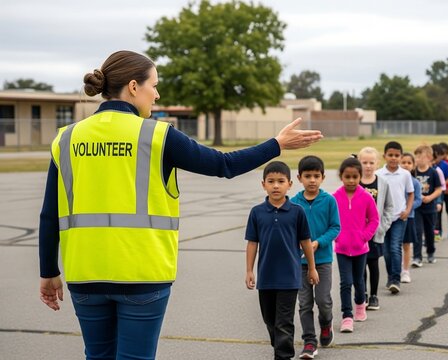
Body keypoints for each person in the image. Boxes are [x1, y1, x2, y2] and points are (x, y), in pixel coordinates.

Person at [38, 50, 322, 360]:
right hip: (142, 274)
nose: (157, 95)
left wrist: (48, 271)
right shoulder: (157, 136)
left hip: (85, 273)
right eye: (154, 85)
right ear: (134, 87)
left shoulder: (67, 138)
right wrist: (277, 144)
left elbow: (49, 213)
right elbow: (223, 165)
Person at [245, 161, 320, 360]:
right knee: (270, 320)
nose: (275, 185)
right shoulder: (257, 212)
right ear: (263, 185)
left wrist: (312, 269)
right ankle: (279, 346)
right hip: (266, 277)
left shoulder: (297, 212)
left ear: (289, 184)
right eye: (271, 181)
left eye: (280, 181)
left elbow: (306, 242)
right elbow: (252, 243)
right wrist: (249, 271)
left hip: (289, 277)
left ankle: (283, 355)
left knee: (284, 322)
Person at [290, 156, 340, 359]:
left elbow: (335, 227)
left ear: (323, 177)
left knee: (323, 300)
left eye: (316, 176)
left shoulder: (329, 201)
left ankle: (326, 324)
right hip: (299, 262)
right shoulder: (293, 203)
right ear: (299, 178)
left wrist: (319, 242)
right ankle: (310, 341)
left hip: (322, 261)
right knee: (304, 303)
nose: (312, 180)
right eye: (308, 176)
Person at [333, 157, 380, 333]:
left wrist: (364, 236)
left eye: (355, 177)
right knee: (345, 282)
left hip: (361, 248)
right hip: (342, 248)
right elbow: (330, 221)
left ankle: (360, 304)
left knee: (359, 281)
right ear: (341, 176)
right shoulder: (335, 197)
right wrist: (337, 237)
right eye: (347, 177)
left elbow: (374, 220)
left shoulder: (366, 197)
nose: (351, 180)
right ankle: (347, 316)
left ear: (360, 176)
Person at [357, 147, 395, 311]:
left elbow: (389, 207)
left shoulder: (382, 183)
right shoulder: (355, 182)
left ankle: (373, 295)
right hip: (357, 234)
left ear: (377, 163)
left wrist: (382, 227)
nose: (368, 166)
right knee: (360, 265)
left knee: (373, 264)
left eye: (371, 162)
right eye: (364, 162)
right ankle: (362, 294)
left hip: (374, 233)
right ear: (359, 163)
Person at [375, 141, 414, 295]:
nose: (393, 158)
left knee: (395, 247)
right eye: (390, 155)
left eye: (397, 155)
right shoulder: (378, 174)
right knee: (386, 250)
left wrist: (408, 209)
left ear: (401, 156)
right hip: (383, 218)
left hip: (399, 216)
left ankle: (395, 279)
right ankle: (391, 276)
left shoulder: (405, 174)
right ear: (385, 156)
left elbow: (410, 193)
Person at [413, 145, 443, 265]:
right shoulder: (412, 172)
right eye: (417, 156)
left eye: (421, 156)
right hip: (417, 208)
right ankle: (417, 257)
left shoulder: (433, 173)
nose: (418, 159)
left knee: (429, 232)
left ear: (429, 158)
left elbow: (439, 189)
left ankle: (430, 252)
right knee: (417, 232)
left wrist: (430, 198)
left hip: (430, 208)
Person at [399, 153, 422, 276]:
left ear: (413, 166)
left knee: (406, 244)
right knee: (394, 245)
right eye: (403, 162)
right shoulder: (394, 180)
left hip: (409, 216)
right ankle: (395, 269)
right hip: (395, 216)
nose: (406, 165)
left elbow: (418, 199)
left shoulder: (415, 183)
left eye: (409, 163)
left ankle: (406, 270)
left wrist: (407, 208)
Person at [431, 143, 448, 240]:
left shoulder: (442, 166)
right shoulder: (428, 167)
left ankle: (438, 232)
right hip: (429, 193)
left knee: (438, 211)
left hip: (441, 191)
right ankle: (431, 232)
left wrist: (444, 187)